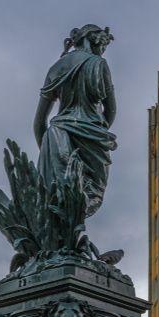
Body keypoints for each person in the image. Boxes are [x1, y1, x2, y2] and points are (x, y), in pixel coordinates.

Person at [33, 24, 117, 216]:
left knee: (58, 204)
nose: (102, 51)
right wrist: (95, 133)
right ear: (91, 39)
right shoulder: (99, 64)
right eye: (101, 46)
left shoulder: (56, 67)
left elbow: (39, 122)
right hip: (92, 135)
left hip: (57, 135)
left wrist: (49, 151)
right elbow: (111, 110)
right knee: (87, 198)